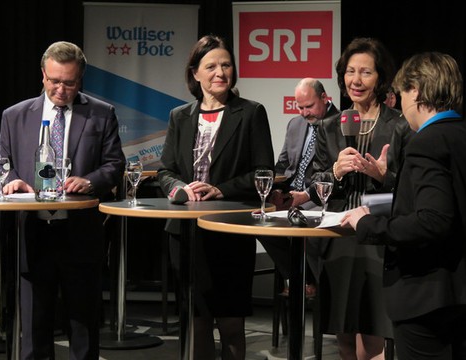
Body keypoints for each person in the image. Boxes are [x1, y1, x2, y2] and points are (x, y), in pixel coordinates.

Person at [341, 52, 466, 360]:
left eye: (402, 92)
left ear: (417, 91)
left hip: (430, 298)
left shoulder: (426, 142)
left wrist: (366, 223)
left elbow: (432, 220)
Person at [0, 41, 125, 359]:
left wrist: (89, 181)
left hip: (79, 233)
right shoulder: (15, 116)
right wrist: (12, 182)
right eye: (54, 81)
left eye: (69, 82)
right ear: (43, 75)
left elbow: (114, 165)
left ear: (80, 79)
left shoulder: (100, 113)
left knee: (82, 327)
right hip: (33, 233)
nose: (61, 89)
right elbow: (1, 163)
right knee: (35, 329)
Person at [293, 37, 413, 359]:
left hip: (378, 237)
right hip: (338, 235)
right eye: (350, 72)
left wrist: (381, 176)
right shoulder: (330, 125)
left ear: (381, 78)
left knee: (372, 339)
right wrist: (334, 171)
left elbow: (412, 188)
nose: (356, 80)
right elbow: (312, 183)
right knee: (343, 337)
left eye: (366, 73)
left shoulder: (399, 125)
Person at [157, 34, 274, 359]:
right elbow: (165, 172)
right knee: (196, 322)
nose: (220, 72)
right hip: (185, 234)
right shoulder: (179, 116)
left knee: (231, 323)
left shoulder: (251, 113)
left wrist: (220, 189)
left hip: (231, 232)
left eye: (226, 65)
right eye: (211, 66)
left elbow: (263, 172)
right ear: (195, 73)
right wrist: (180, 189)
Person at [258, 77, 340, 295]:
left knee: (300, 223)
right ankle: (298, 276)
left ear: (324, 98)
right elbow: (283, 165)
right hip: (291, 194)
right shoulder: (295, 124)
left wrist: (304, 195)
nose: (304, 113)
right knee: (259, 220)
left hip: (320, 197)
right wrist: (276, 190)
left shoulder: (339, 125)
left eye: (309, 106)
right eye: (300, 107)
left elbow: (333, 175)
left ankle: (306, 282)